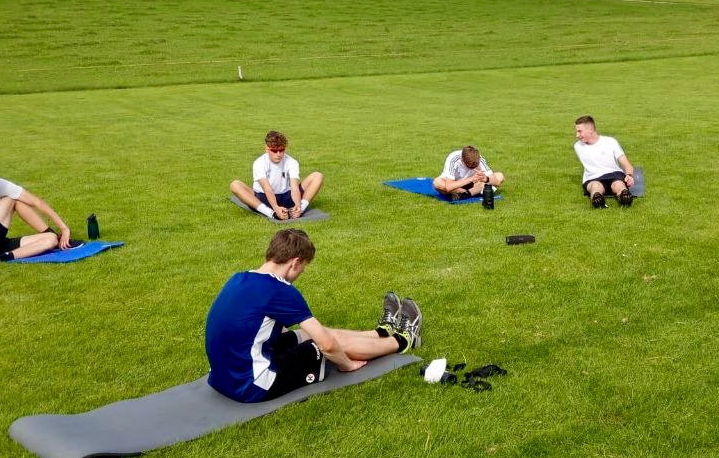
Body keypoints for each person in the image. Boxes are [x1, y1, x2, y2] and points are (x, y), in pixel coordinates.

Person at [205, 229, 423, 403]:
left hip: (222, 378)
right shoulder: (279, 290)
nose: (302, 272)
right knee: (324, 344)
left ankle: (379, 333)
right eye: (303, 267)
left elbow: (257, 326)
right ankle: (403, 340)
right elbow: (327, 345)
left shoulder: (239, 278)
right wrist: (347, 365)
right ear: (295, 262)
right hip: (252, 386)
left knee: (307, 334)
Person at [230, 131, 324, 220]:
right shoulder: (259, 163)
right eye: (274, 151)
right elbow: (267, 188)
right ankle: (271, 213)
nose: (278, 154)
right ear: (267, 149)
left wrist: (298, 205)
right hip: (263, 198)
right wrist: (275, 208)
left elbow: (294, 187)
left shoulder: (292, 162)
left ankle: (298, 210)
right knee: (235, 185)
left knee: (317, 176)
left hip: (286, 196)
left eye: (281, 150)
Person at [573, 115, 636, 208]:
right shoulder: (578, 146)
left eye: (579, 131)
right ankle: (597, 199)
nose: (577, 135)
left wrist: (629, 175)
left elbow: (626, 164)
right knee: (596, 187)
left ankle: (624, 196)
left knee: (618, 185)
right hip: (592, 178)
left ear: (590, 130)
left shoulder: (610, 142)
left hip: (614, 174)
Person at [432, 145, 505, 199]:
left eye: (475, 166)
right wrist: (471, 179)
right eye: (469, 166)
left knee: (500, 175)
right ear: (462, 160)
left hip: (474, 184)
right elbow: (449, 186)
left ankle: (465, 194)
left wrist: (486, 178)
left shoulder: (479, 159)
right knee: (437, 182)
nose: (473, 167)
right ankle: (468, 192)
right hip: (455, 184)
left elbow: (497, 182)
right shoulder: (453, 159)